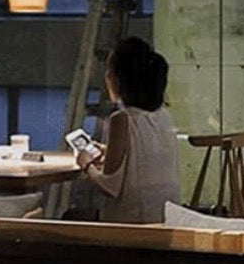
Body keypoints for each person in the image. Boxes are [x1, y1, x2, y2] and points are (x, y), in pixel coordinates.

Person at [75, 36, 179, 223]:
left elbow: (110, 187)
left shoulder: (122, 119)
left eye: (109, 69)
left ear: (120, 78)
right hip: (166, 219)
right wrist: (110, 151)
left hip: (132, 224)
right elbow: (147, 158)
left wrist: (86, 164)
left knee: (70, 218)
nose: (106, 75)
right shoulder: (163, 115)